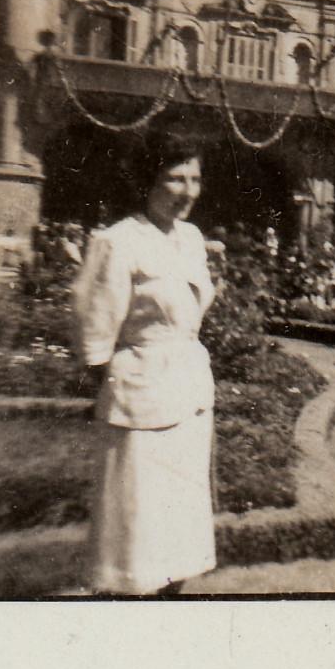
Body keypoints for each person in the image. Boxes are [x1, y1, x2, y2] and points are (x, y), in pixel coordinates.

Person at [73, 134, 216, 597]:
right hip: (140, 401)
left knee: (178, 532)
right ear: (146, 181)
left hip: (190, 397)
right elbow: (94, 333)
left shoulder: (191, 239)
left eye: (195, 178)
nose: (188, 191)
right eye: (175, 178)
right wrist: (123, 380)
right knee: (137, 533)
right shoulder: (117, 242)